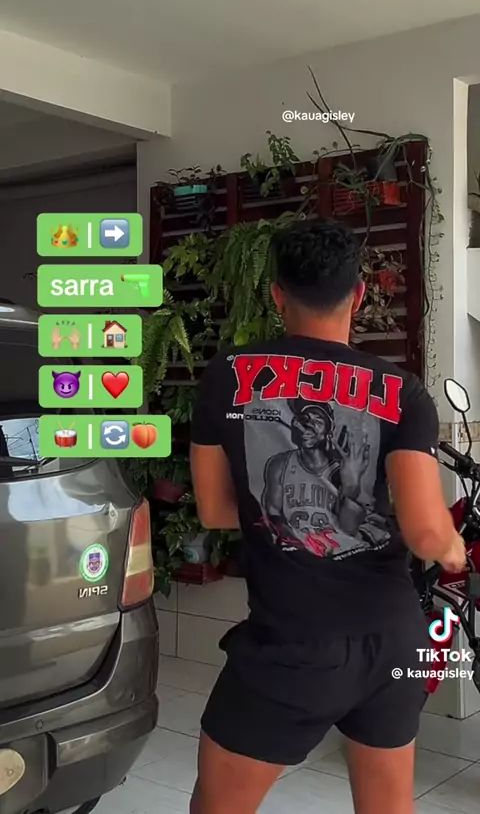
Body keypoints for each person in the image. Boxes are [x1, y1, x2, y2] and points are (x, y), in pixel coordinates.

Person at [189, 219, 466, 814]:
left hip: (294, 642)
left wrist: (295, 521)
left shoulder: (227, 376)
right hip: (393, 643)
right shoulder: (402, 390)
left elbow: (215, 510)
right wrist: (454, 549)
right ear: (358, 295)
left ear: (277, 295)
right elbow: (426, 532)